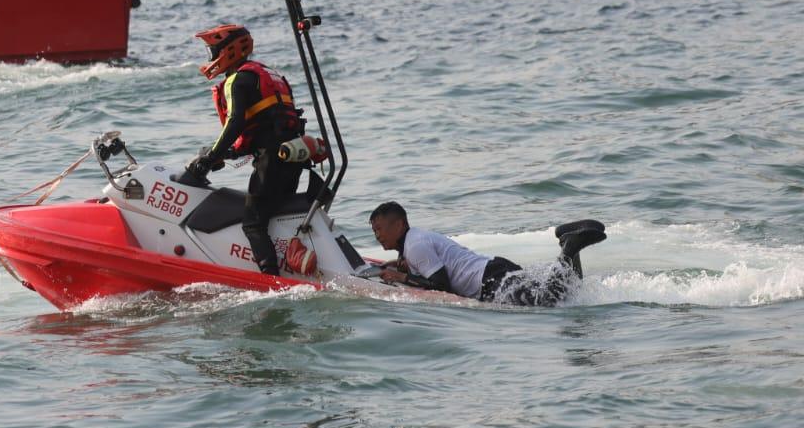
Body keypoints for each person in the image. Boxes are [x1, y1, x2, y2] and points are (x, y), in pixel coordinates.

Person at [173, 24, 309, 275]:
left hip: (272, 160)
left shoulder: (236, 80)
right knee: (275, 216)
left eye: (213, 51)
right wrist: (228, 153)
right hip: (290, 155)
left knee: (253, 222)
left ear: (229, 51)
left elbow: (236, 123)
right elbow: (266, 125)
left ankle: (271, 278)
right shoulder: (267, 74)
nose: (211, 58)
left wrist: (209, 158)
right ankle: (293, 268)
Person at [368, 202, 607, 306]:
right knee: (563, 295)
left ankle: (570, 246)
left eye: (379, 228)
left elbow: (441, 286)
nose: (377, 235)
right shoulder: (415, 240)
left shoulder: (414, 246)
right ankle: (569, 242)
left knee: (550, 301)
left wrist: (402, 279)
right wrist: (405, 267)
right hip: (493, 270)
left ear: (399, 225)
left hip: (490, 281)